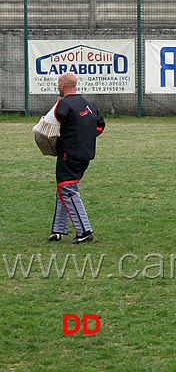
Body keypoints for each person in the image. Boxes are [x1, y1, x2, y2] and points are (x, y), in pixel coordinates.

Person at [48, 72, 105, 244]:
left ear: (63, 84)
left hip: (68, 155)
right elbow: (100, 126)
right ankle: (58, 229)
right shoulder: (90, 104)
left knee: (68, 191)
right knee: (65, 189)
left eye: (58, 83)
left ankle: (85, 231)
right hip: (85, 155)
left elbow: (49, 124)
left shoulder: (63, 104)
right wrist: (84, 138)